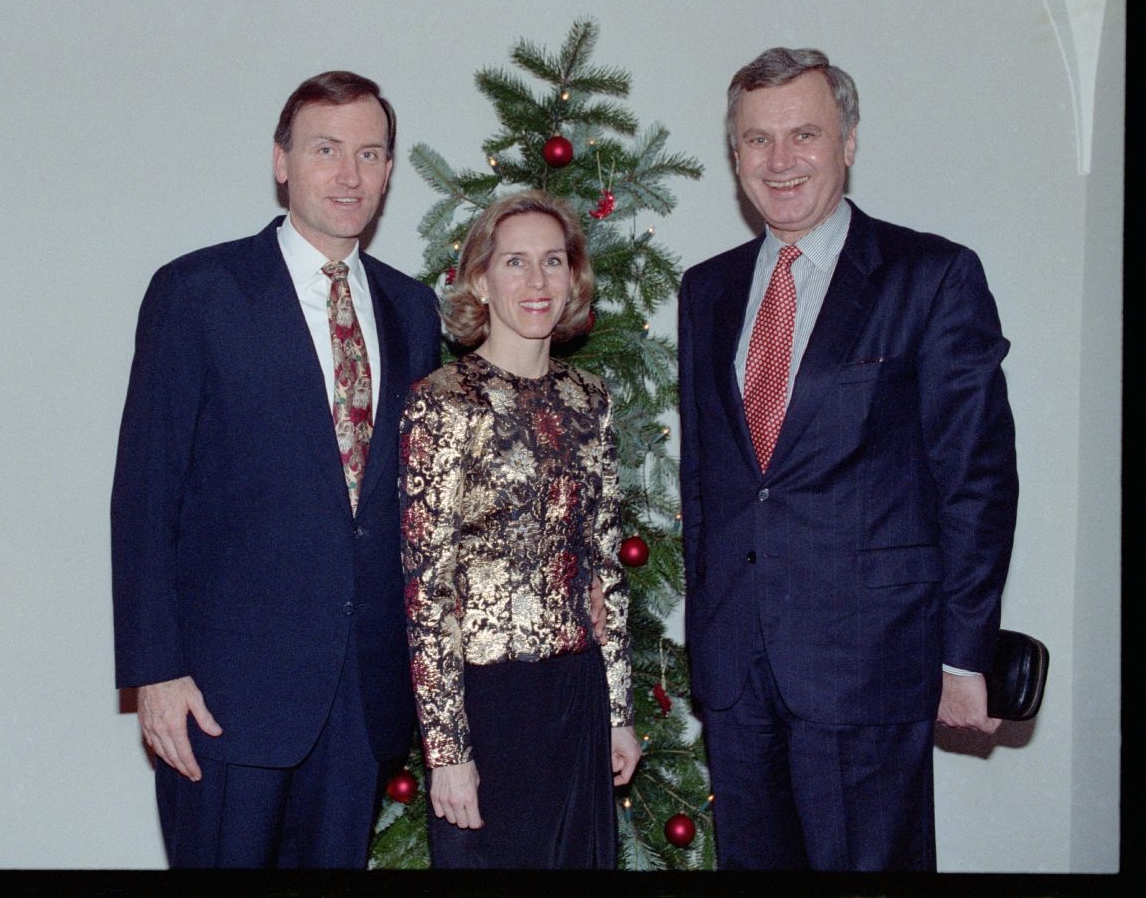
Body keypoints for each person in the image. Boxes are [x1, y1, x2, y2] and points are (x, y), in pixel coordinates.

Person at [676, 47, 1019, 870]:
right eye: (757, 141)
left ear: (849, 142)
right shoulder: (707, 290)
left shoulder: (931, 277)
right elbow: (706, 481)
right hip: (736, 672)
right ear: (734, 157)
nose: (780, 161)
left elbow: (976, 479)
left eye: (804, 134)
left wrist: (964, 653)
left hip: (870, 664)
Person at [110, 71, 442, 868]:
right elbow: (145, 496)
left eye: (370, 153)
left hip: (362, 697)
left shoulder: (412, 309)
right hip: (224, 699)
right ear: (282, 162)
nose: (350, 175)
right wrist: (156, 673)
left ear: (390, 171)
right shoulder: (197, 293)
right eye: (326, 150)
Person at [399, 190, 641, 869]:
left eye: (553, 261)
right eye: (515, 262)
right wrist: (446, 753)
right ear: (481, 278)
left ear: (573, 277)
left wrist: (618, 711)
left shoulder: (589, 397)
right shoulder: (441, 403)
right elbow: (426, 589)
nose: (537, 283)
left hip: (578, 691)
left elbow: (605, 562)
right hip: (488, 702)